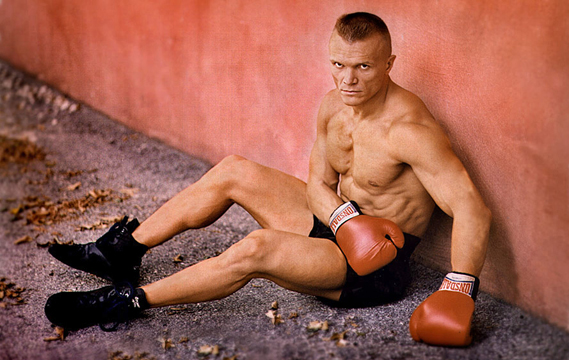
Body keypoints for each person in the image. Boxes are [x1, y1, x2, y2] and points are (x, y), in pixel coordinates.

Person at [45, 12, 491, 345]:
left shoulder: (411, 133)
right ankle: (121, 252)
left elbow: (471, 205)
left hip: (371, 268)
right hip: (338, 226)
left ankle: (127, 301)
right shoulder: (335, 106)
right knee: (234, 169)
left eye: (363, 68)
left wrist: (460, 287)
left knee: (254, 249)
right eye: (338, 65)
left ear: (389, 63)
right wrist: (343, 219)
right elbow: (318, 183)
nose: (347, 80)